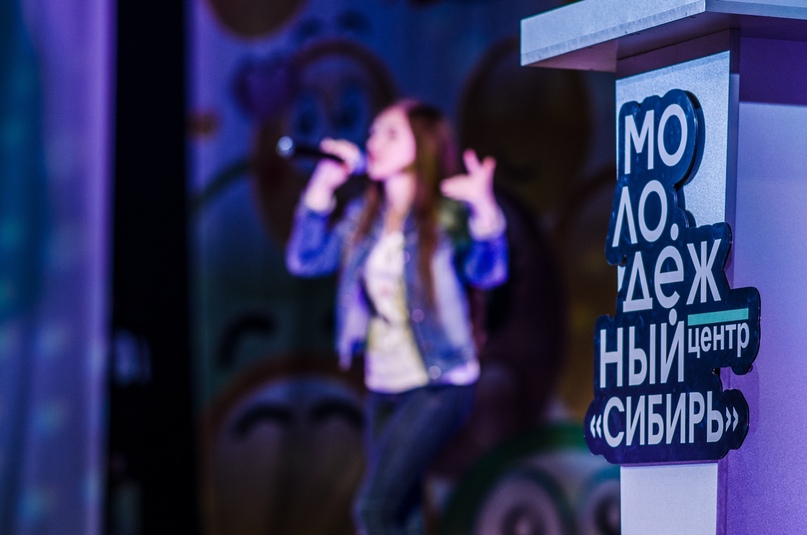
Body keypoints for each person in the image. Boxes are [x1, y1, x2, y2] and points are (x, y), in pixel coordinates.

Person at [286, 98, 508, 534]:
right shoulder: (363, 219)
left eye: (391, 134)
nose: (374, 142)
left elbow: (488, 271)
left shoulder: (443, 215)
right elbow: (305, 259)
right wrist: (322, 185)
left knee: (375, 508)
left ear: (421, 145)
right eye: (373, 133)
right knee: (401, 515)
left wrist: (485, 211)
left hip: (439, 381)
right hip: (383, 383)